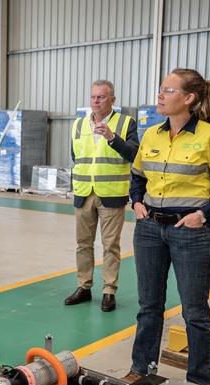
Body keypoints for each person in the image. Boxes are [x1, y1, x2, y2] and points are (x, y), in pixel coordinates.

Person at [126, 68, 210, 385]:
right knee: (149, 306)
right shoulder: (151, 134)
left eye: (168, 90)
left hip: (190, 233)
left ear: (189, 98)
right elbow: (138, 176)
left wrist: (203, 215)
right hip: (149, 228)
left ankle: (198, 381)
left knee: (194, 312)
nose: (160, 95)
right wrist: (136, 202)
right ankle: (142, 369)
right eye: (160, 89)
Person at [64, 80, 139, 312]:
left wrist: (112, 138)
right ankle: (84, 286)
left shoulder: (126, 123)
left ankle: (109, 290)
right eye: (93, 97)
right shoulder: (78, 125)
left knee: (110, 245)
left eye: (102, 97)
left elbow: (134, 154)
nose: (96, 101)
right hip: (84, 193)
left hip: (112, 195)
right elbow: (76, 157)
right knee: (83, 244)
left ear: (112, 100)